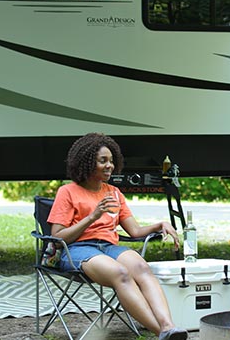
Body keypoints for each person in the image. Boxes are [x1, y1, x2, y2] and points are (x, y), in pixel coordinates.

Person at [48, 132, 188, 340]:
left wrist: (160, 224)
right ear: (87, 163)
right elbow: (57, 238)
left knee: (142, 268)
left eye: (111, 161)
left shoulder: (113, 192)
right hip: (78, 249)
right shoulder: (68, 192)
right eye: (102, 161)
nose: (109, 166)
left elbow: (134, 231)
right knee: (120, 273)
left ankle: (169, 325)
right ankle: (162, 333)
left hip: (109, 247)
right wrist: (93, 216)